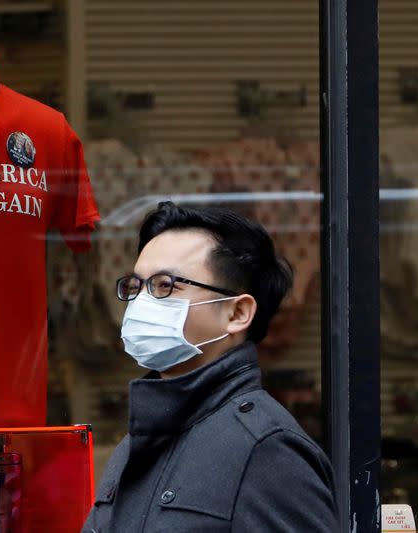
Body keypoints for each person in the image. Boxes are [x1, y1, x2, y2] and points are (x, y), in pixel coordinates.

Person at [83, 201, 338, 532]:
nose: (141, 303)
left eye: (165, 285)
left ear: (236, 313)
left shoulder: (266, 449)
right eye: (136, 286)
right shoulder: (137, 442)